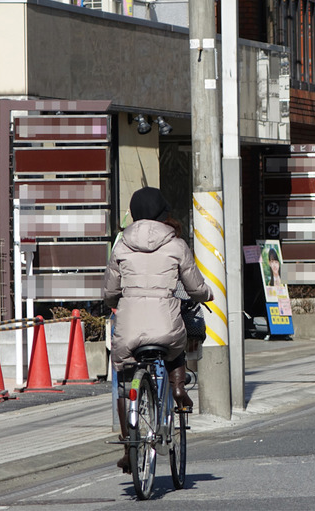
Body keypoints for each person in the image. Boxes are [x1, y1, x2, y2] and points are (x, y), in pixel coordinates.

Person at [103, 187, 213, 473]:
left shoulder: (120, 246)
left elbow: (109, 292)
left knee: (125, 382)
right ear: (163, 214)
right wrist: (206, 295)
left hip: (128, 330)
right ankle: (178, 388)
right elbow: (195, 288)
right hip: (166, 326)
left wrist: (120, 299)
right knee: (177, 343)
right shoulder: (176, 245)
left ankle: (130, 444)